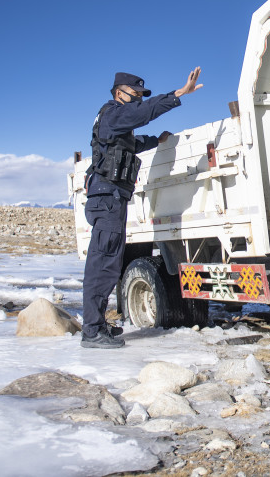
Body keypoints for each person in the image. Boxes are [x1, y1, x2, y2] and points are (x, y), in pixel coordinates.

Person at [81, 67, 203, 348]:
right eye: (134, 95)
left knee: (109, 264)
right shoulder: (112, 113)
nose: (138, 100)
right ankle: (91, 331)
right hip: (107, 198)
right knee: (103, 265)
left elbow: (128, 144)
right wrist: (177, 94)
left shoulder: (114, 121)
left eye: (140, 96)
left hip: (111, 198)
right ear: (118, 93)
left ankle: (96, 325)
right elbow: (141, 113)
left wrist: (154, 141)